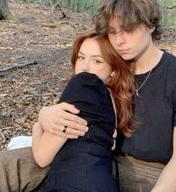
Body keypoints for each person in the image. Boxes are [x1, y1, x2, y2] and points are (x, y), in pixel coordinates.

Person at [0, 0, 176, 192]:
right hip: (85, 156)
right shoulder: (102, 63)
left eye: (128, 30)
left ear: (151, 25)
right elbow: (74, 106)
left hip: (147, 171)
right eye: (112, 31)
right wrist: (45, 115)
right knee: (7, 165)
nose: (119, 40)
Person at [32, 30, 134, 192]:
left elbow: (42, 157)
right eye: (81, 57)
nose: (84, 66)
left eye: (97, 61)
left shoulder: (82, 84)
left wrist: (37, 126)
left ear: (113, 71)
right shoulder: (113, 102)